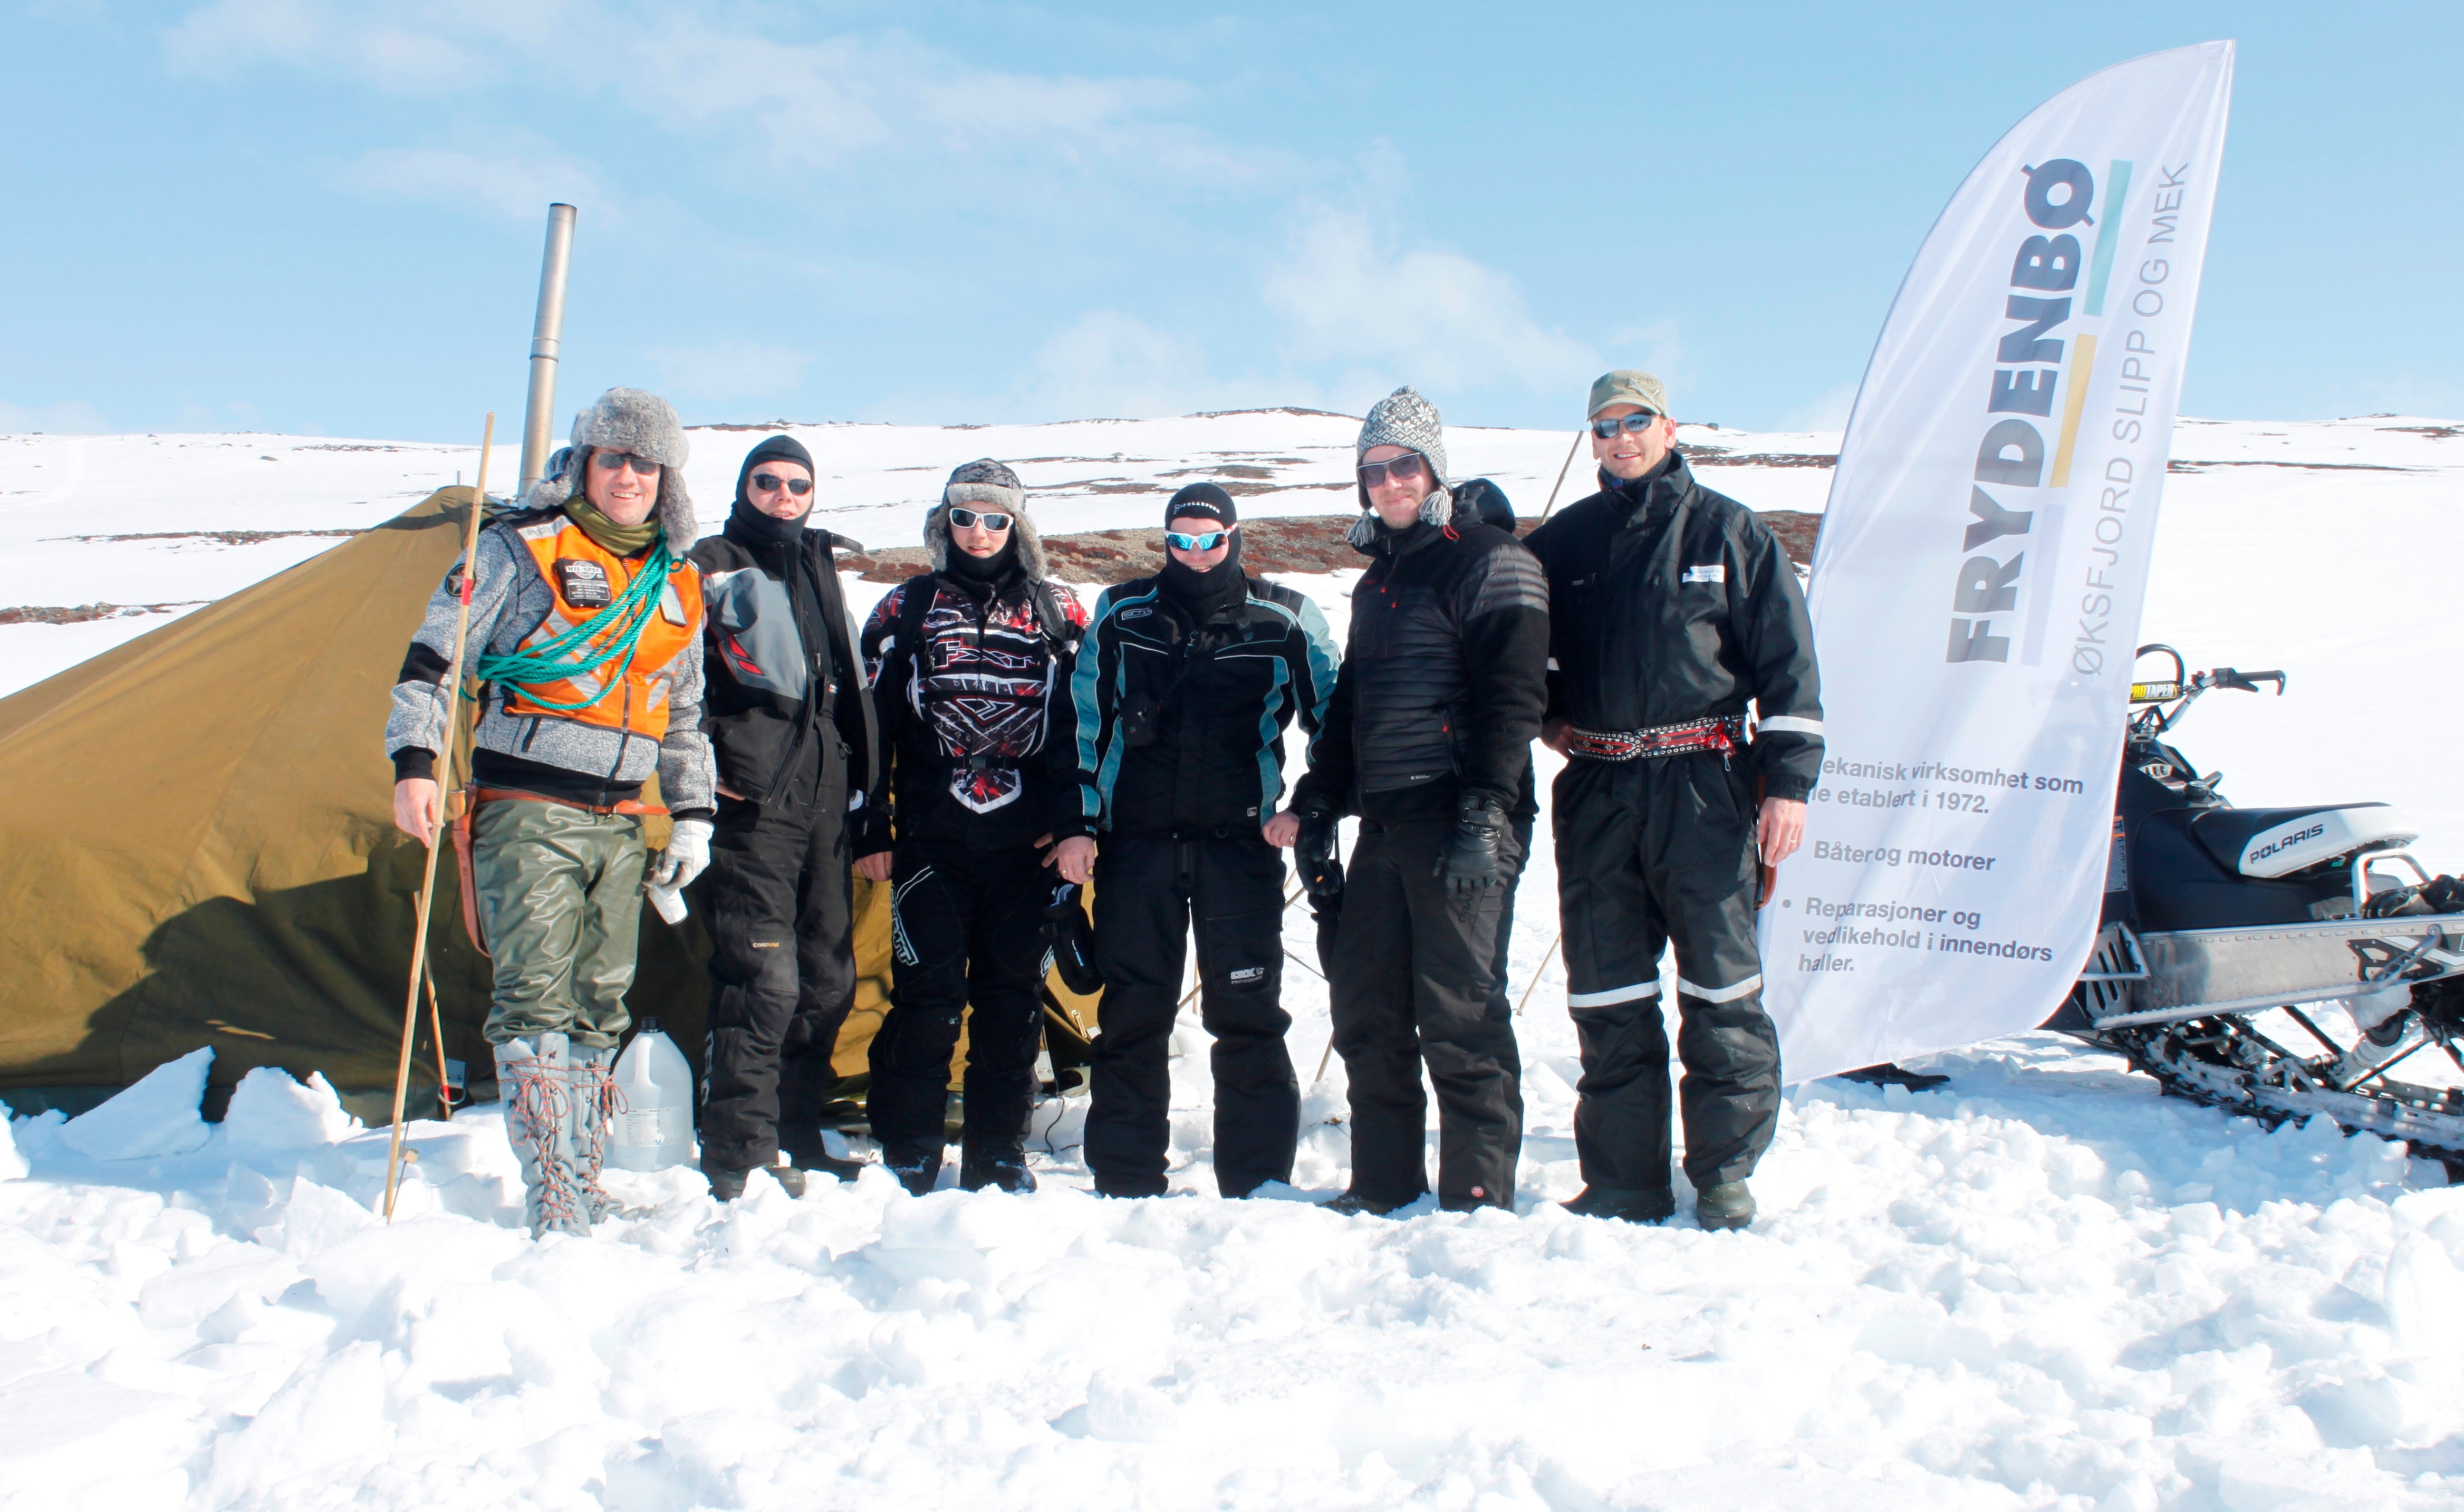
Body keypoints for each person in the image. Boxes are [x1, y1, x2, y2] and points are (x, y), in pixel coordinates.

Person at [386, 387, 716, 1238]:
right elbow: (436, 658)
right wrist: (416, 764)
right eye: (616, 459)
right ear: (583, 464)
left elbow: (681, 714)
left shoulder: (677, 583)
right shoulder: (518, 549)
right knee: (535, 997)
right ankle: (550, 1187)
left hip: (621, 816)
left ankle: (581, 1170)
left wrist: (692, 815)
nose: (631, 477)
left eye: (648, 464)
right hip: (528, 801)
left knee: (601, 1001)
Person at [1523, 370, 1824, 1231]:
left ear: (1669, 426)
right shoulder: (1564, 546)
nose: (1622, 437)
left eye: (1637, 421)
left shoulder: (1732, 533)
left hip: (1708, 790)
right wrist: (1549, 720)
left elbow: (1790, 672)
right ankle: (1625, 1180)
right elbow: (1529, 665)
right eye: (1605, 426)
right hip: (1602, 789)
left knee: (1721, 991)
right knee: (1607, 993)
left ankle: (1724, 1173)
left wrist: (1790, 786)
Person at [1285, 387, 1549, 1215]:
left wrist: (1484, 815)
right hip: (1389, 822)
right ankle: (1384, 1180)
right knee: (1369, 1007)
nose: (1390, 483)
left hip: (1465, 817)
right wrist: (1321, 800)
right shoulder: (1380, 580)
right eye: (1374, 471)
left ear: (1434, 469)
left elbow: (1513, 702)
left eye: (1404, 466)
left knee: (1459, 1012)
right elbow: (1354, 705)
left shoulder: (1490, 559)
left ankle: (1476, 1190)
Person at [1054, 482, 1340, 1199]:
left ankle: (1255, 1181)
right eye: (1181, 539)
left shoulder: (1286, 618)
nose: (1196, 552)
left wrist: (1307, 806)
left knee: (1246, 1014)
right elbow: (1085, 722)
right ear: (1164, 541)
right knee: (1132, 1012)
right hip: (1137, 847)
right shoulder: (1123, 613)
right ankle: (1124, 1176)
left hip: (1237, 847)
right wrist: (1078, 826)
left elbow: (1337, 721)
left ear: (1235, 536)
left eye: (1210, 538)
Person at [856, 459, 1087, 1197]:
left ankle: (998, 1152)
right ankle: (911, 1147)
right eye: (964, 516)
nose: (979, 531)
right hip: (932, 840)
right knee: (926, 998)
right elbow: (868, 728)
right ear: (943, 522)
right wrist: (871, 825)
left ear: (1018, 525)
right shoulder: (906, 607)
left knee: (1011, 1001)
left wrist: (1073, 823)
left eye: (995, 518)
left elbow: (1081, 728)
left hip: (1029, 848)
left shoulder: (1062, 611)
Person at [686, 435, 881, 1200]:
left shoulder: (818, 562)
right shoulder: (708, 561)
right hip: (753, 798)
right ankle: (738, 1149)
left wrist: (869, 795)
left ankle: (798, 1136)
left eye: (797, 484)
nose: (782, 495)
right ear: (744, 487)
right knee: (762, 975)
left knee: (827, 981)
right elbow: (675, 674)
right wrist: (707, 765)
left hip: (827, 798)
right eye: (766, 482)